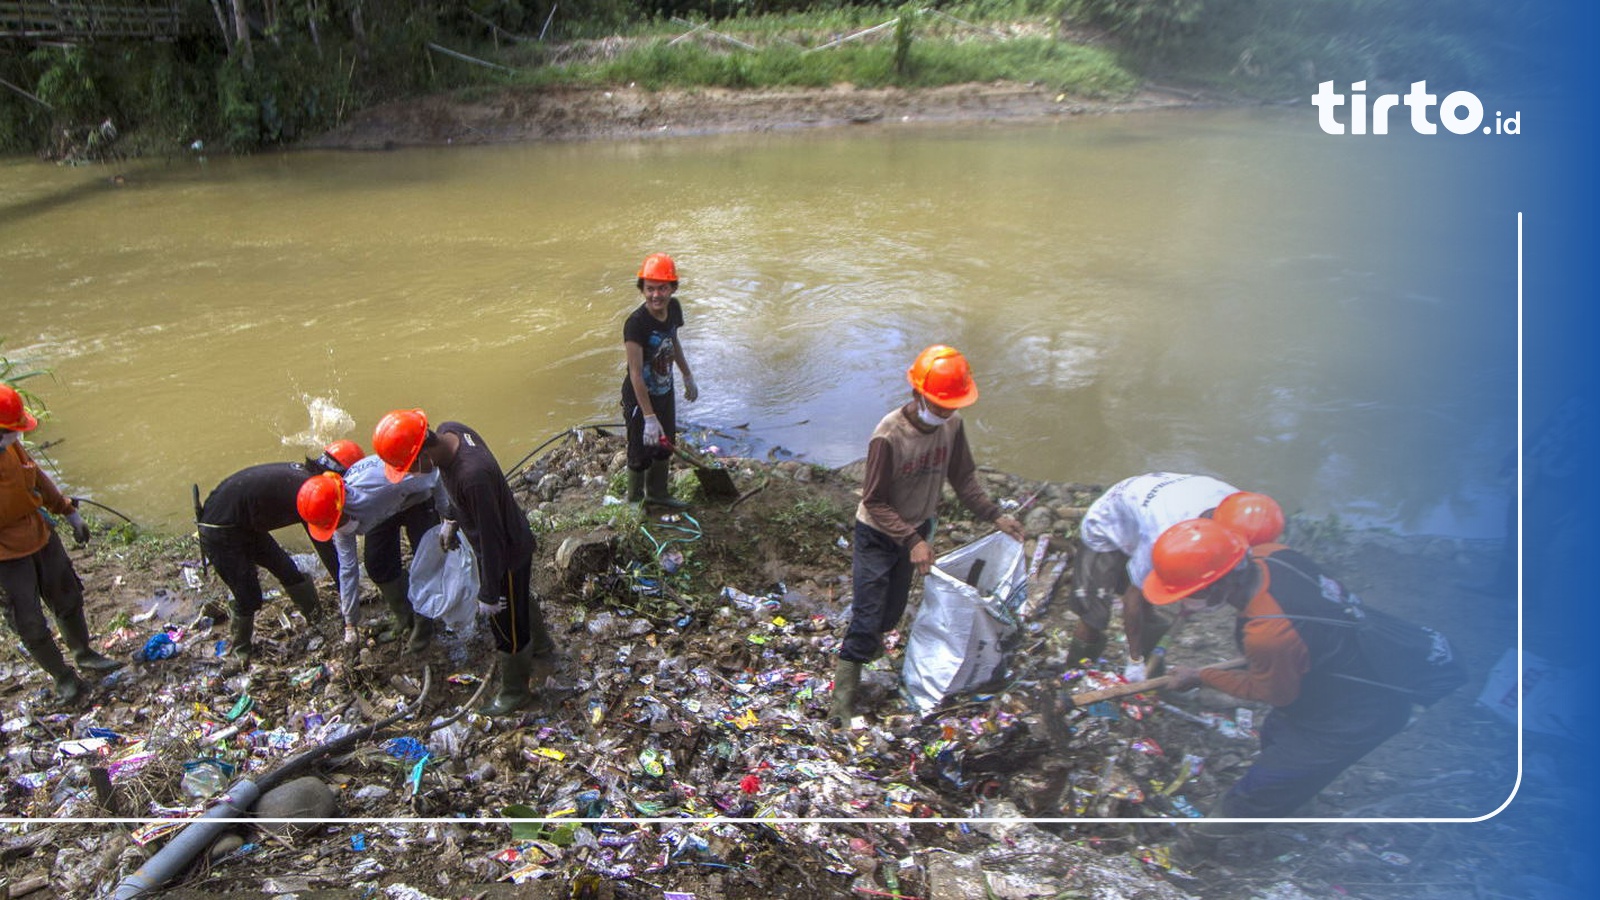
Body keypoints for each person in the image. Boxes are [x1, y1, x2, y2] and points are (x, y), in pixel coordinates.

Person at [1149, 518, 1415, 825]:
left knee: (1261, 788)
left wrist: (1201, 676)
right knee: (1275, 735)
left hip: (1359, 708)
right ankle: (1296, 798)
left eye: (1193, 592)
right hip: (1337, 667)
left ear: (1222, 583)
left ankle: (1200, 842)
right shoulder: (1273, 554)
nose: (1189, 600)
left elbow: (1273, 693)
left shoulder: (1269, 634)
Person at [829, 345, 1026, 728]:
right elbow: (875, 500)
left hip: (916, 529)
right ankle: (841, 708)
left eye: (951, 406)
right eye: (938, 406)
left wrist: (994, 514)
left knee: (893, 610)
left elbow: (963, 477)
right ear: (918, 394)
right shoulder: (889, 436)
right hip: (878, 533)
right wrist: (913, 541)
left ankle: (874, 668)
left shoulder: (951, 426)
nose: (945, 413)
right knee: (867, 616)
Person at [372, 409, 557, 715]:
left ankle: (514, 693)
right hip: (513, 537)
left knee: (506, 627)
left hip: (506, 554)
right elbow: (455, 491)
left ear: (422, 452)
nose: (413, 474)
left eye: (411, 467)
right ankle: (542, 646)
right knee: (519, 600)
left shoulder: (473, 477)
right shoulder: (452, 430)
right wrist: (450, 519)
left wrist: (488, 591)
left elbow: (492, 539)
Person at [1072, 474, 1284, 678]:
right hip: (1110, 522)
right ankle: (1075, 671)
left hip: (1157, 504)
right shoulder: (1164, 536)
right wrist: (1134, 659)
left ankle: (1152, 673)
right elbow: (1133, 598)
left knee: (1148, 610)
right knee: (1094, 612)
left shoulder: (1244, 512)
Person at [0, 385, 123, 703]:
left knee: (67, 595)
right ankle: (63, 677)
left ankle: (84, 653)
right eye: (8, 432)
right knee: (29, 622)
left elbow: (35, 476)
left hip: (38, 532)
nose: (14, 437)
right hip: (5, 555)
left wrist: (68, 511)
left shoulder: (12, 448)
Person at [197, 441, 358, 665]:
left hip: (244, 522)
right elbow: (325, 547)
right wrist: (349, 593)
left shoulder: (308, 479)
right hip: (220, 530)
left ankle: (316, 619)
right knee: (248, 595)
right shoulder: (313, 493)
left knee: (288, 571)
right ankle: (239, 652)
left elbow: (325, 543)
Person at [295, 446, 448, 647]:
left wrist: (447, 515)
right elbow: (347, 569)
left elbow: (434, 474)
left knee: (426, 563)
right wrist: (350, 623)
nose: (338, 528)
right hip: (383, 512)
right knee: (378, 566)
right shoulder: (339, 523)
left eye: (337, 522)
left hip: (416, 499)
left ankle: (424, 628)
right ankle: (404, 617)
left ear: (342, 505)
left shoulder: (381, 488)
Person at [621, 252, 700, 508]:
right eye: (650, 289)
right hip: (639, 395)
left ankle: (658, 493)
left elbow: (673, 341)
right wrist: (648, 417)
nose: (656, 295)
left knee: (666, 444)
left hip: (665, 388)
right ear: (642, 290)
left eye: (662, 288)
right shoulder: (636, 324)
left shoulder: (674, 309)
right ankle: (634, 501)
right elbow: (635, 373)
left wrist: (687, 375)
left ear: (672, 288)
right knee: (640, 448)